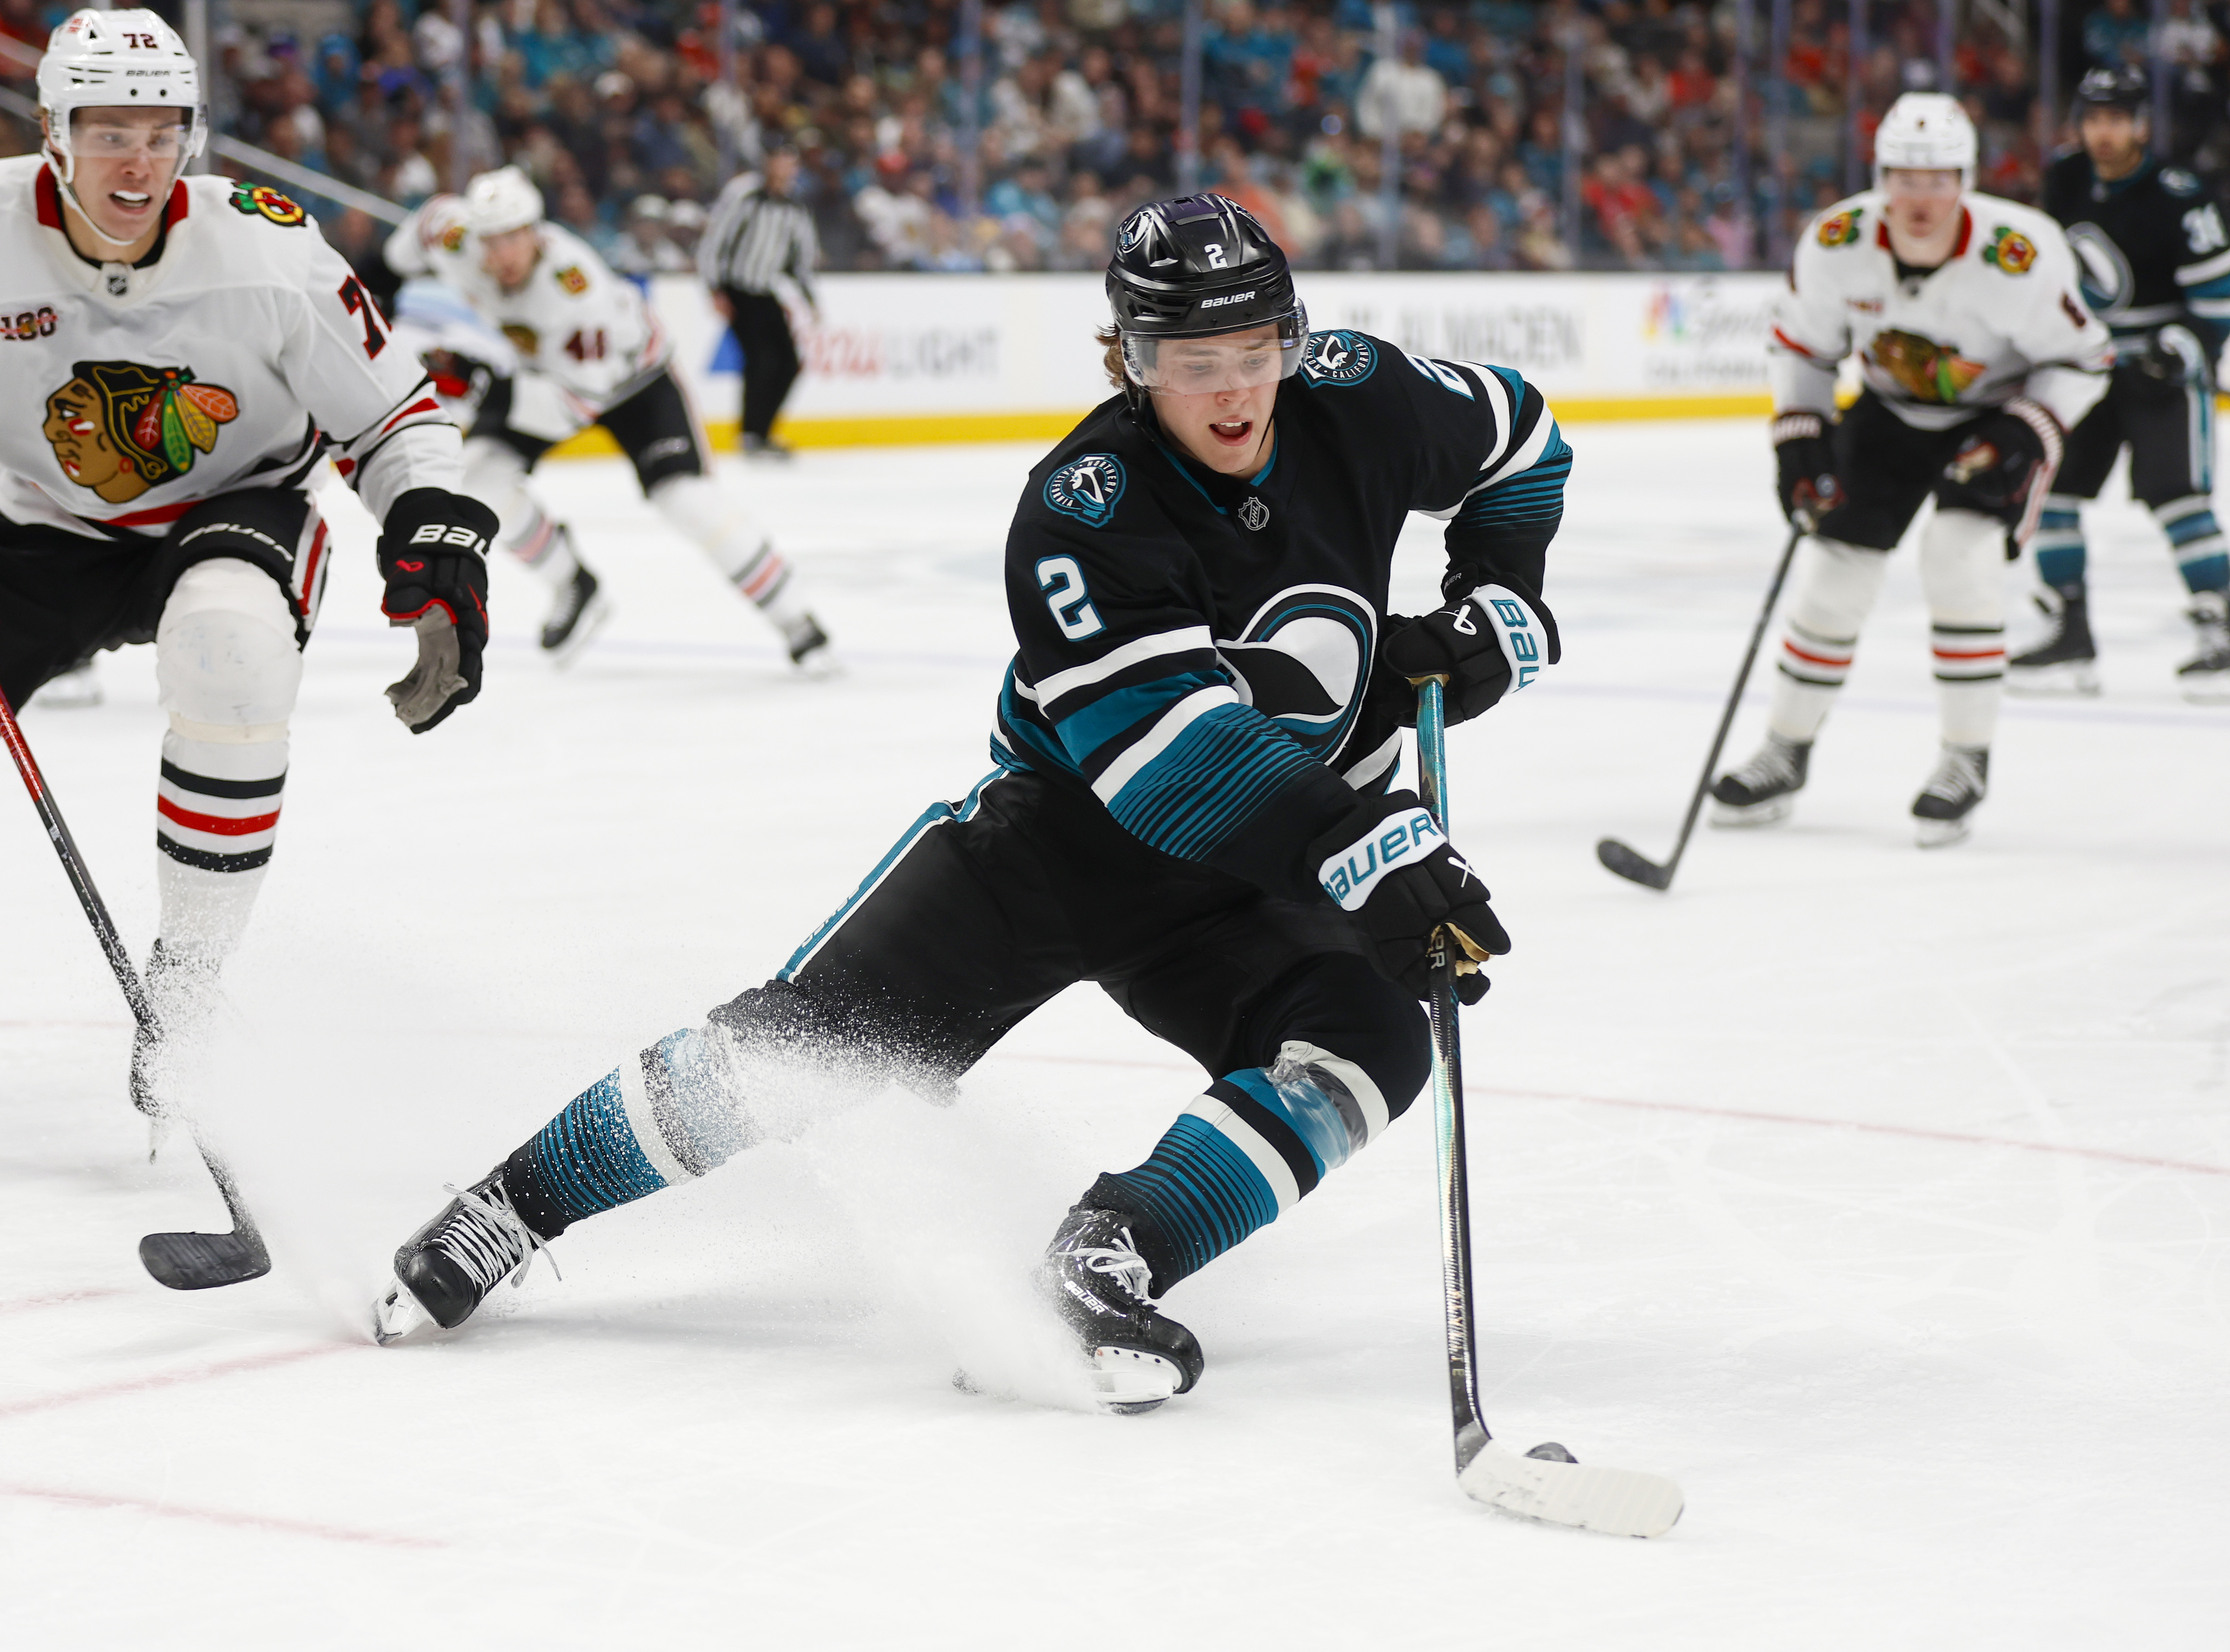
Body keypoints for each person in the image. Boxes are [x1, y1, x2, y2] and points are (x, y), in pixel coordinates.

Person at [370, 195, 1574, 1414]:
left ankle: (1106, 1258)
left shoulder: (1359, 397)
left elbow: (1525, 439)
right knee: (797, 1052)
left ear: (1294, 338)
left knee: (1367, 1039)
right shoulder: (1084, 507)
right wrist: (1358, 847)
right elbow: (1168, 759)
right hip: (1058, 846)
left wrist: (1495, 602)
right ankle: (508, 1207)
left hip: (1258, 878)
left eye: (1254, 352)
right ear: (1130, 359)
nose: (1230, 392)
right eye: (1187, 362)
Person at [0, 10, 496, 1108]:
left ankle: (186, 989)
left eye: (164, 130)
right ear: (52, 131)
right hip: (37, 527)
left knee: (233, 649)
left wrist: (432, 528)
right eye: (109, 130)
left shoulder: (268, 245)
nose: (140, 160)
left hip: (233, 504)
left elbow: (397, 416)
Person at [1716, 94, 2112, 846]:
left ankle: (1965, 759)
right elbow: (1802, 345)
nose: (1919, 196)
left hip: (1995, 418)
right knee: (1834, 573)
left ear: (1965, 180)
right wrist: (1797, 433)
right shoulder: (1836, 242)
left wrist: (2031, 426)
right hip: (1890, 413)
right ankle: (1785, 748)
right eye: (1903, 176)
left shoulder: (2019, 255)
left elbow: (2086, 358)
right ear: (1880, 178)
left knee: (1957, 561)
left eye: (1937, 179)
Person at [385, 169, 834, 672]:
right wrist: (375, 295)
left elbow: (576, 405)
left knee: (687, 501)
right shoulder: (454, 239)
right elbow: (413, 238)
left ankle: (797, 621)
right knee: (477, 482)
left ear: (536, 230)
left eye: (513, 238)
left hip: (633, 384)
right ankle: (573, 587)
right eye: (491, 241)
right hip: (544, 376)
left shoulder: (575, 290)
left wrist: (481, 383)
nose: (501, 255)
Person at [2014, 65, 2230, 700]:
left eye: (2117, 120)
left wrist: (2182, 348)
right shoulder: (2064, 177)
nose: (2103, 133)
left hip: (2161, 373)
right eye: (2093, 119)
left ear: (2139, 125)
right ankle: (2068, 632)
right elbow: (2048, 272)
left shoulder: (2180, 194)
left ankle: (2220, 629)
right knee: (2051, 490)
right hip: (2084, 366)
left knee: (2177, 497)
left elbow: (2217, 295)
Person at [700, 148, 818, 461]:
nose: (784, 168)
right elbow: (716, 241)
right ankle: (752, 434)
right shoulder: (745, 195)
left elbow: (802, 257)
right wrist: (715, 288)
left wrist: (810, 298)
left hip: (766, 291)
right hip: (738, 288)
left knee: (790, 363)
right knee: (762, 361)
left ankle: (762, 431)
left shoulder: (795, 207)